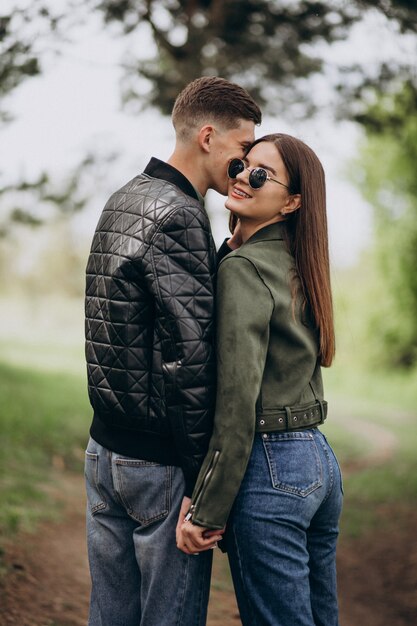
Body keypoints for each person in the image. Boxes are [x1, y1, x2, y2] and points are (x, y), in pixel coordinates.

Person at [84, 76, 262, 626]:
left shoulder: (125, 197)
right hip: (158, 465)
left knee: (109, 615)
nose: (243, 167)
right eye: (240, 151)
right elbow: (188, 361)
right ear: (208, 136)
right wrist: (200, 480)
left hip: (103, 453)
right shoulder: (181, 214)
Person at [178, 133, 344, 626]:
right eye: (242, 165)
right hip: (318, 462)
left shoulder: (245, 269)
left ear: (292, 202)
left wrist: (204, 511)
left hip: (271, 467)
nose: (242, 178)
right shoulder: (299, 264)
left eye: (260, 175)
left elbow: (237, 404)